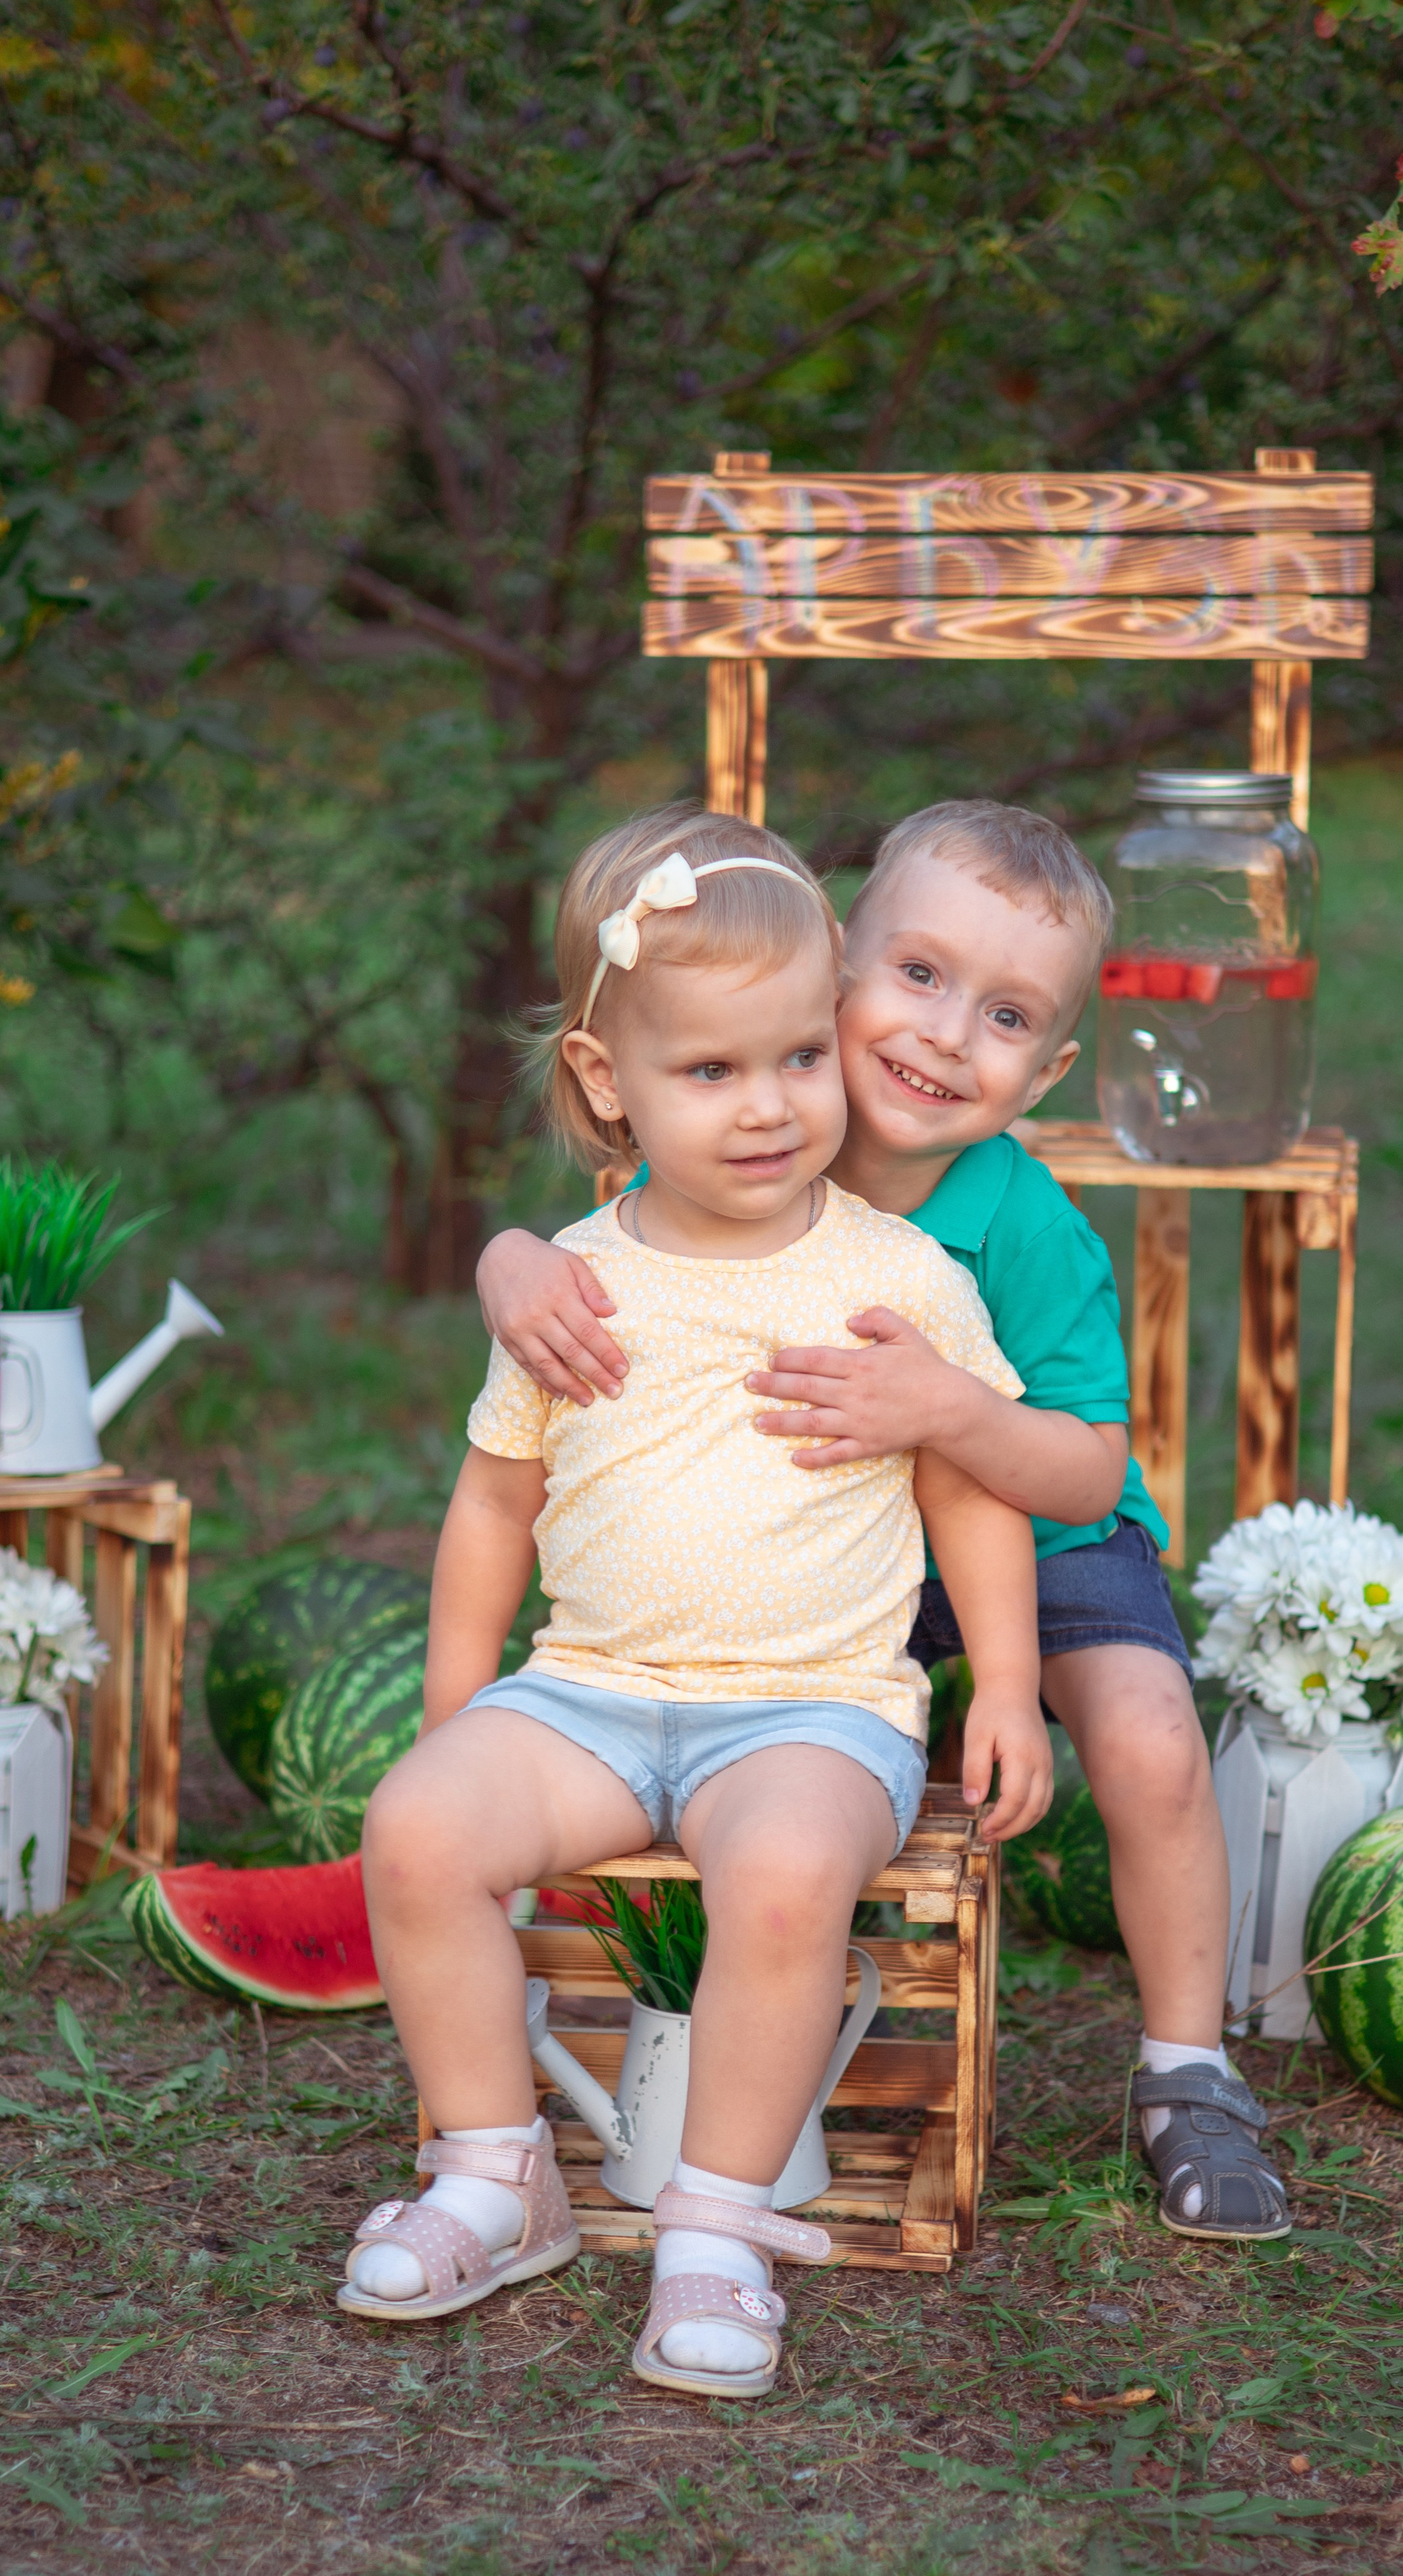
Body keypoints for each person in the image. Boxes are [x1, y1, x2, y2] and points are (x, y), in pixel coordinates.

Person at [478, 799, 1292, 2243]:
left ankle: (1189, 2070)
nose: (939, 1036)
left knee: (1151, 1735)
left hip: (1031, 1528)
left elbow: (1085, 1472)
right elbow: (601, 1243)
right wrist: (507, 1261)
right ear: (834, 968)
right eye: (914, 977)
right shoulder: (753, 1123)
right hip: (823, 1549)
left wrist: (946, 1413)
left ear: (1045, 1070)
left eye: (1002, 1016)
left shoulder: (1023, 1221)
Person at [347, 806, 1051, 2397]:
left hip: (811, 1703)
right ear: (607, 1084)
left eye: (800, 1059)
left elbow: (965, 1486)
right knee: (416, 1831)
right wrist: (462, 1708)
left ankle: (716, 2227)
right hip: (590, 1687)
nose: (769, 1109)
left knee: (791, 1870)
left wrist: (999, 1683)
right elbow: (494, 1499)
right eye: (710, 1073)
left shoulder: (896, 1278)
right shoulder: (567, 1284)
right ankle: (491, 2173)